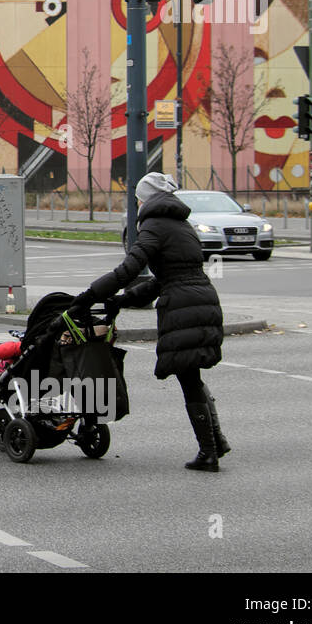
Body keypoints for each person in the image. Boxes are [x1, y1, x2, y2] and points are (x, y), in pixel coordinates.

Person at [72, 172, 228, 472]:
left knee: (189, 378)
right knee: (191, 375)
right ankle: (216, 442)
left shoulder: (154, 225)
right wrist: (122, 300)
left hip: (183, 306)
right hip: (201, 299)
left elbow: (128, 269)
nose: (137, 202)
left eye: (138, 198)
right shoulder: (182, 225)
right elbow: (165, 278)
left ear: (147, 198)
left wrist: (90, 294)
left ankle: (209, 452)